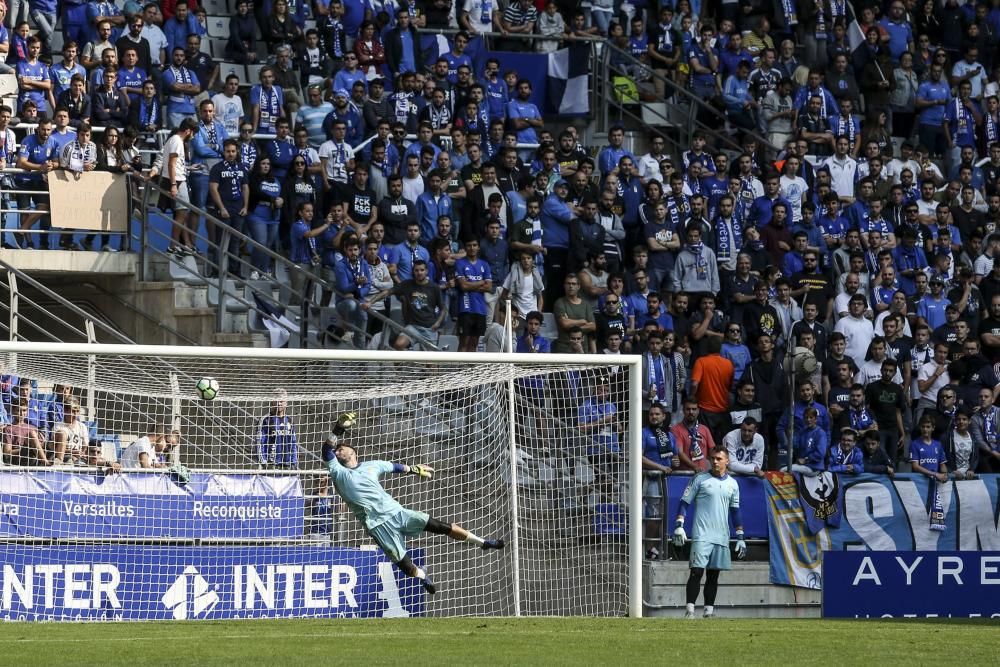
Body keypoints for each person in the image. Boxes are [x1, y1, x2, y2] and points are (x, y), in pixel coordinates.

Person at [322, 411, 505, 595]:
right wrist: (338, 428)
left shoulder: (373, 465)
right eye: (336, 451)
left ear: (353, 451)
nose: (337, 451)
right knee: (407, 568)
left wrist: (415, 469)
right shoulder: (338, 472)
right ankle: (422, 575)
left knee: (441, 526)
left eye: (341, 449)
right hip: (377, 525)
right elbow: (326, 450)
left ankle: (483, 542)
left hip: (397, 512)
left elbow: (394, 467)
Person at [672, 447, 746, 619]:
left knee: (713, 575)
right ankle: (690, 611)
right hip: (702, 534)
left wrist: (740, 536)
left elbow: (735, 511)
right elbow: (684, 501)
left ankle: (708, 612)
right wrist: (679, 525)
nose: (715, 461)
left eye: (719, 459)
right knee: (696, 572)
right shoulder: (700, 478)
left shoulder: (733, 484)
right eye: (712, 458)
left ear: (727, 461)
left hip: (721, 536)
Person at [258, 388, 298, 469]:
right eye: (276, 401)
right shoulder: (265, 420)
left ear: (286, 402)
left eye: (281, 401)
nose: (279, 404)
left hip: (287, 465)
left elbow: (293, 444)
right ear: (272, 401)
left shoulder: (290, 421)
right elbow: (259, 443)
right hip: (271, 465)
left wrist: (294, 462)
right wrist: (264, 463)